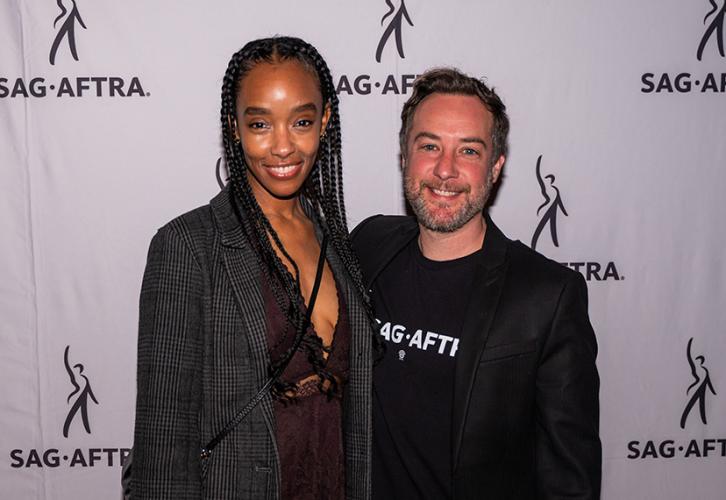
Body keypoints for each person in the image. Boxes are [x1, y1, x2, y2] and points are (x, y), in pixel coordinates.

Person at [131, 36, 375, 500]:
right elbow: (162, 441)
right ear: (235, 126)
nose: (282, 146)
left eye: (301, 121)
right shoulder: (189, 245)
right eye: (261, 123)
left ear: (324, 122)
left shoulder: (338, 245)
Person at [352, 68, 601, 499]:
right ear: (404, 156)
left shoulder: (547, 297)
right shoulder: (368, 245)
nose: (445, 170)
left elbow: (569, 479)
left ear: (496, 166)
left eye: (468, 150)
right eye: (429, 146)